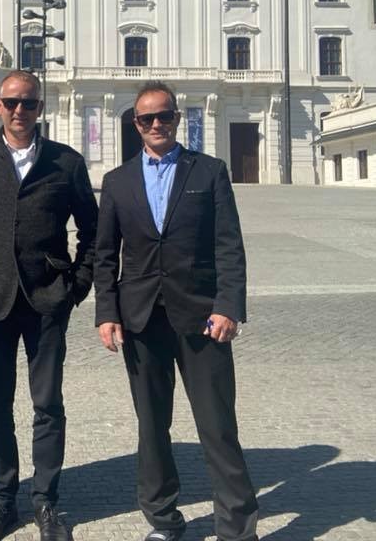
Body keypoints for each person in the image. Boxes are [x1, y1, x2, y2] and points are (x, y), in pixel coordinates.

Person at [94, 81, 259, 541]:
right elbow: (104, 255)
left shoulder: (209, 171)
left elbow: (229, 245)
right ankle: (164, 521)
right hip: (140, 319)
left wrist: (229, 306)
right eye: (146, 118)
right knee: (152, 428)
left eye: (164, 115)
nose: (156, 124)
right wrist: (106, 312)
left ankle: (238, 529)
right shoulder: (117, 181)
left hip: (203, 317)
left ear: (177, 118)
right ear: (136, 124)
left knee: (218, 426)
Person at [0, 70, 99, 541]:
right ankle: (2, 500)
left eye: (29, 103)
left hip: (47, 298)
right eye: (12, 102)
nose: (20, 110)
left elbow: (93, 231)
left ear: (41, 107)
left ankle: (46, 502)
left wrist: (77, 285)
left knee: (48, 404)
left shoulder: (66, 162)